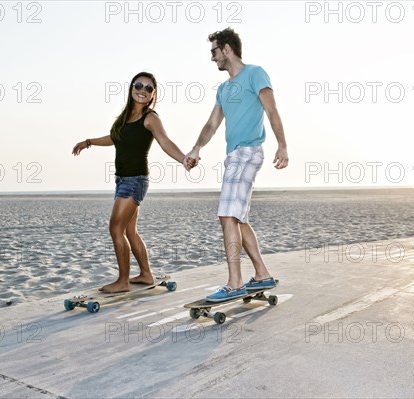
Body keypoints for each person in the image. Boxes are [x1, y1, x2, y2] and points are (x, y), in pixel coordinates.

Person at [185, 28, 289, 302]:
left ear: (227, 49)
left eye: (214, 51)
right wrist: (196, 147)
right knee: (238, 217)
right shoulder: (223, 89)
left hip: (248, 151)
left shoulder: (255, 73)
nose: (212, 58)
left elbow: (271, 109)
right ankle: (262, 273)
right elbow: (212, 124)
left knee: (226, 215)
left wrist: (282, 144)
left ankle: (235, 282)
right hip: (234, 155)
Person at [72, 72, 192, 293]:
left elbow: (165, 141)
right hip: (123, 180)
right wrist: (89, 142)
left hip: (135, 181)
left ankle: (123, 281)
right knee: (129, 231)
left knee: (115, 228)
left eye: (148, 88)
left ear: (153, 94)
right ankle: (146, 274)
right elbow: (115, 138)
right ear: (131, 88)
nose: (142, 90)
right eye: (139, 85)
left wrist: (183, 158)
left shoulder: (150, 118)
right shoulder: (126, 117)